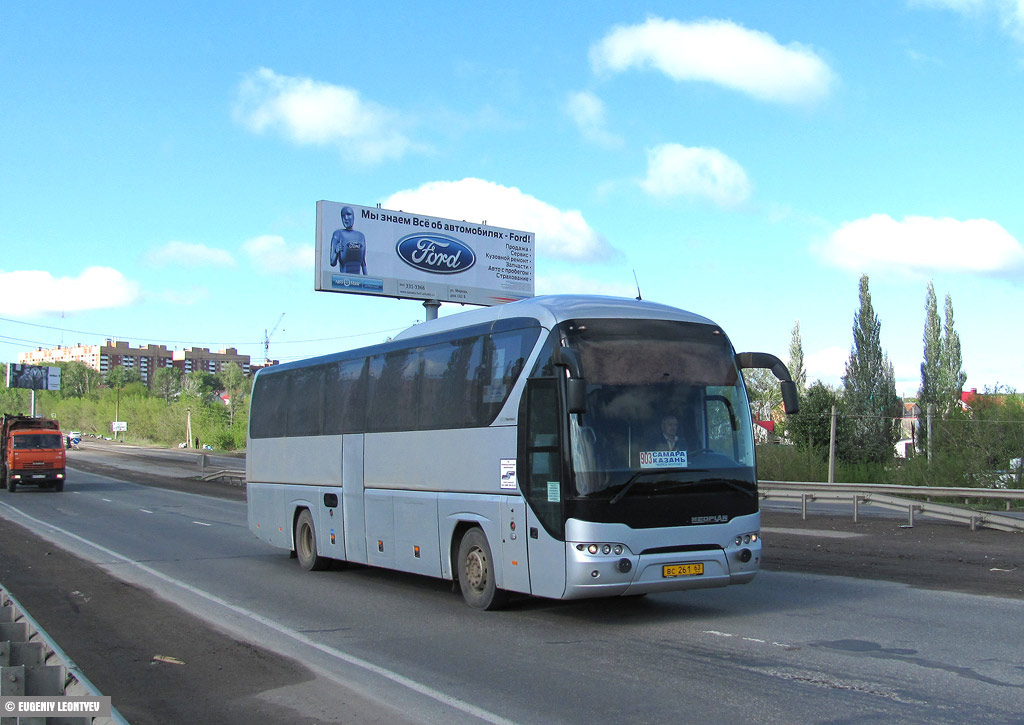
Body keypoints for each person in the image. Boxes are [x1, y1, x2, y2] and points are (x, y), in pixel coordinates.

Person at [329, 206, 367, 275]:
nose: (346, 218)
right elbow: (332, 262)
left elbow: (363, 263)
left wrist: (368, 281)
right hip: (343, 281)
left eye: (348, 214)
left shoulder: (361, 236)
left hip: (358, 281)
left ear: (353, 216)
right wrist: (336, 251)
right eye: (343, 216)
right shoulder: (338, 234)